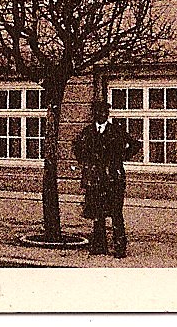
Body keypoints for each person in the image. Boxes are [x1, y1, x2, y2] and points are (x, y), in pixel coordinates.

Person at [73, 99, 140, 257]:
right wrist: (86, 162)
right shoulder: (88, 132)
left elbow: (135, 144)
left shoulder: (116, 130)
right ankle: (99, 245)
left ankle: (119, 247)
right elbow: (76, 147)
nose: (101, 115)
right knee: (97, 213)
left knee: (116, 213)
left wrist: (121, 157)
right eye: (98, 112)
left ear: (108, 114)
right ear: (94, 114)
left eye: (104, 112)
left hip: (113, 178)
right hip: (96, 179)